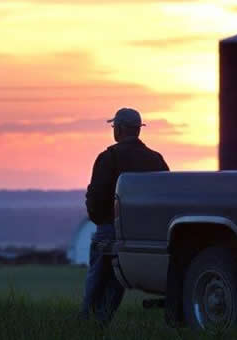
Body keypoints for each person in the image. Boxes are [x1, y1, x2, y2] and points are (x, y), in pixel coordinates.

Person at [80, 107, 169, 323]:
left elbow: (96, 197)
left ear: (118, 129)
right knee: (116, 282)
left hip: (109, 229)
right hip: (142, 234)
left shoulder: (108, 158)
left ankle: (85, 325)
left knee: (97, 280)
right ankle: (102, 322)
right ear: (138, 130)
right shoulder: (156, 160)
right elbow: (166, 196)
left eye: (114, 127)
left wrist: (100, 220)